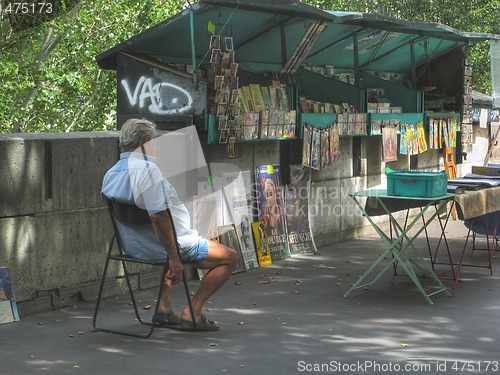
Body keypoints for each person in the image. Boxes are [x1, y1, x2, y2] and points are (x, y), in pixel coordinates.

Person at [101, 118, 239, 331]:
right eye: (154, 141)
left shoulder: (110, 174)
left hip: (133, 245)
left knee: (167, 238)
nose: (156, 146)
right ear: (146, 141)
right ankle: (192, 312)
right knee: (230, 257)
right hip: (168, 245)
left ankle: (164, 307)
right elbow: (158, 218)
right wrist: (174, 258)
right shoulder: (148, 170)